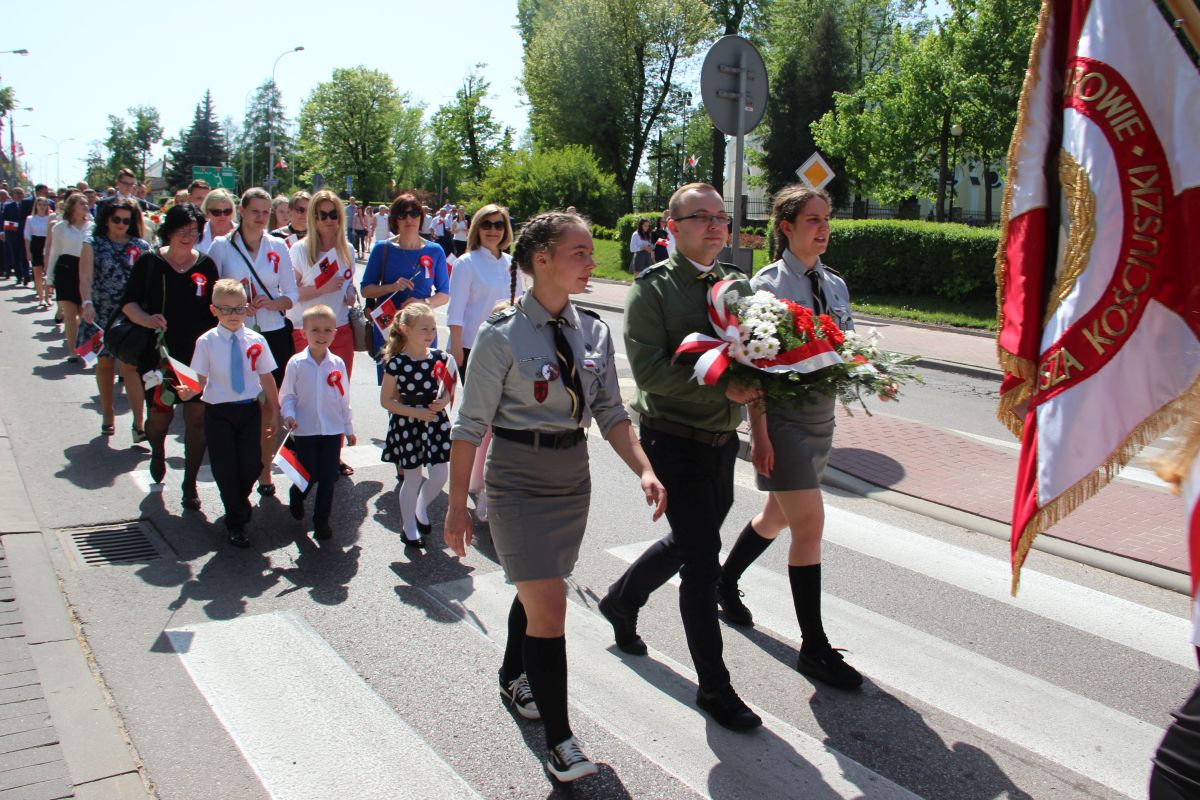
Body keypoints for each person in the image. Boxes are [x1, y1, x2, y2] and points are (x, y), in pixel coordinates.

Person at [444, 210, 666, 783]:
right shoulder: (500, 335)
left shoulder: (594, 330)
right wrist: (455, 506)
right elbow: (469, 427)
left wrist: (644, 470)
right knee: (551, 603)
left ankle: (512, 673)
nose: (592, 263)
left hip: (572, 478)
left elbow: (611, 412)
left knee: (540, 586)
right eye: (580, 253)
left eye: (590, 252)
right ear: (541, 259)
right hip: (517, 476)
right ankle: (561, 743)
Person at [599, 182, 763, 731]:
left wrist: (761, 416)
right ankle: (714, 688)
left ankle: (621, 600)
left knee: (692, 540)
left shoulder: (736, 286)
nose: (716, 225)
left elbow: (756, 357)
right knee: (702, 560)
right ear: (672, 227)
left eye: (721, 216)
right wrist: (723, 387)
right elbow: (649, 373)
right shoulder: (653, 290)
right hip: (672, 439)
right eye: (701, 217)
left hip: (721, 441)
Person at [715, 185, 865, 691]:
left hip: (821, 418)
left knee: (778, 517)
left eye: (826, 219)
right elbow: (752, 368)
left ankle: (723, 581)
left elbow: (845, 346)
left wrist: (867, 369)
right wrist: (758, 433)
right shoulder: (764, 287)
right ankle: (814, 647)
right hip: (782, 421)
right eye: (812, 220)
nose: (823, 229)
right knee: (810, 524)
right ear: (786, 227)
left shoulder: (835, 284)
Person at [120, 203, 218, 509]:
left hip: (196, 357)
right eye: (181, 230)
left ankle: (189, 484)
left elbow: (214, 310)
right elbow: (128, 304)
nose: (187, 237)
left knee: (197, 418)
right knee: (160, 418)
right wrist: (147, 319)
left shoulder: (206, 265)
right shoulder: (150, 262)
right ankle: (158, 452)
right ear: (169, 231)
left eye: (194, 231)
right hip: (159, 356)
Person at [207, 188, 298, 498]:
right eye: (254, 211)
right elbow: (212, 293)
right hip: (236, 335)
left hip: (272, 333)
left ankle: (264, 469)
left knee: (270, 405)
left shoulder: (278, 245)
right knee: (241, 403)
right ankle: (241, 464)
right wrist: (235, 306)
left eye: (265, 211)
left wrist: (272, 304)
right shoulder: (222, 246)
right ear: (242, 211)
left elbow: (291, 293)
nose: (260, 217)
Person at [180, 279, 279, 547]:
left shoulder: (256, 339)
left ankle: (238, 502)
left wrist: (274, 410)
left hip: (248, 410)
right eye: (226, 309)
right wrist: (189, 391)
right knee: (225, 468)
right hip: (218, 412)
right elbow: (199, 378)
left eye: (238, 309)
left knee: (252, 464)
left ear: (247, 308)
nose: (233, 315)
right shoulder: (207, 342)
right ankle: (236, 522)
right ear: (214, 310)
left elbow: (266, 376)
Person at [446, 203, 522, 520]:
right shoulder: (466, 263)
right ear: (477, 227)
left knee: (502, 420)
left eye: (499, 224)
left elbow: (520, 306)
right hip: (473, 350)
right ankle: (479, 487)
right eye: (487, 224)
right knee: (481, 419)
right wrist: (456, 349)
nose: (493, 230)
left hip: (509, 350)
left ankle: (489, 485)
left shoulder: (512, 264)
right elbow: (456, 310)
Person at [379, 303, 454, 547]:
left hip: (434, 423)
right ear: (405, 329)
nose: (430, 333)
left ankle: (421, 507)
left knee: (440, 475)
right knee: (412, 478)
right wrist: (415, 412)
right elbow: (386, 401)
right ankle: (409, 527)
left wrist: (443, 402)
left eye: (433, 328)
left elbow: (449, 389)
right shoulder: (397, 363)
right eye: (424, 329)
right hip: (408, 424)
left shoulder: (441, 358)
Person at [280, 305, 356, 541]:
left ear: (334, 333)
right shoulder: (296, 363)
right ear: (304, 333)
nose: (321, 336)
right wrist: (289, 414)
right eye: (315, 330)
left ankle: (321, 521)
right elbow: (288, 395)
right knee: (309, 473)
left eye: (327, 330)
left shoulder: (338, 364)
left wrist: (348, 428)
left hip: (332, 430)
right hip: (306, 429)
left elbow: (344, 398)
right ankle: (297, 494)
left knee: (328, 477)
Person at [79, 198, 150, 440]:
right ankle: (107, 414)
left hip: (131, 313)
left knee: (131, 366)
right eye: (116, 219)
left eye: (126, 220)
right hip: (102, 311)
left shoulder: (141, 246)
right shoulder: (93, 243)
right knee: (105, 364)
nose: (121, 224)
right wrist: (87, 302)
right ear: (106, 219)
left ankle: (139, 424)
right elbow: (85, 277)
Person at [360, 193, 449, 384]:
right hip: (389, 331)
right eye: (403, 214)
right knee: (391, 393)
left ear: (421, 217)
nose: (409, 219)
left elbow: (444, 294)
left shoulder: (435, 251)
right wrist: (391, 287)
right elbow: (366, 290)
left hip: (422, 330)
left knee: (423, 389)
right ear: (395, 220)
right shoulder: (382, 249)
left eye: (414, 213)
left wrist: (422, 302)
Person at [45, 193, 94, 361]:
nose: (86, 206)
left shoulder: (93, 227)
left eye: (87, 203)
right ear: (72, 207)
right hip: (66, 269)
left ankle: (83, 346)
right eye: (82, 203)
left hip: (85, 269)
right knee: (70, 314)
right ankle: (73, 351)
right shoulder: (60, 227)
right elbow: (55, 252)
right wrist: (49, 277)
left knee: (83, 313)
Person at [24, 196, 53, 307]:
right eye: (40, 204)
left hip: (47, 244)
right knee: (37, 273)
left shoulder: (50, 218)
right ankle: (41, 297)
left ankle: (48, 297)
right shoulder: (30, 219)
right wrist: (28, 252)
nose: (42, 207)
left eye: (44, 205)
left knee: (48, 272)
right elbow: (27, 236)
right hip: (36, 245)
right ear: (36, 206)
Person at [197, 189, 237, 254]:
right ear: (207, 212)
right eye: (217, 212)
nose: (222, 216)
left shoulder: (242, 234)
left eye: (227, 211)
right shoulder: (197, 234)